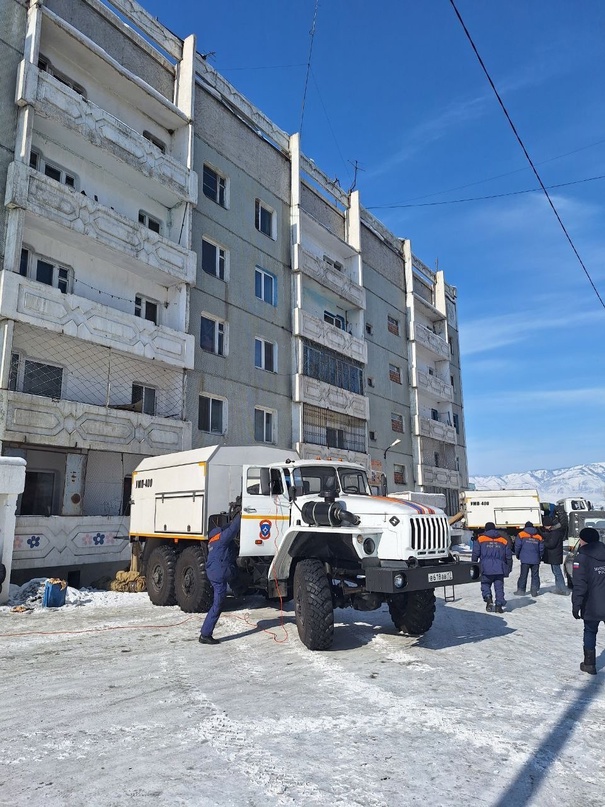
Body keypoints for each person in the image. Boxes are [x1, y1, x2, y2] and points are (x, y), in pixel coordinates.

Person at [199, 513, 241, 645]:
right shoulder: (222, 539)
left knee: (232, 575)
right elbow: (233, 529)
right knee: (218, 604)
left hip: (214, 572)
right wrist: (242, 514)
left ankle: (238, 590)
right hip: (219, 573)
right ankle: (205, 634)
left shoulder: (212, 542)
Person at [572, 526, 605, 675]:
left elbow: (580, 585)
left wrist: (576, 605)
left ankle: (589, 664)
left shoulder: (582, 557)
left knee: (590, 631)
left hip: (592, 605)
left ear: (583, 540)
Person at [472, 521, 512, 613]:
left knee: (485, 584)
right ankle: (499, 606)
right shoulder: (503, 540)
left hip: (485, 568)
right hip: (499, 569)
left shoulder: (481, 539)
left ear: (486, 529)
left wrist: (473, 564)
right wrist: (508, 567)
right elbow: (508, 556)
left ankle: (488, 598)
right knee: (499, 587)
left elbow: (475, 553)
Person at [515, 521, 544, 596]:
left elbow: (517, 546)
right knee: (535, 575)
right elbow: (541, 548)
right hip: (535, 559)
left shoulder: (521, 535)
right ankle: (534, 591)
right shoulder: (538, 536)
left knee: (523, 575)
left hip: (525, 559)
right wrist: (540, 556)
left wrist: (518, 555)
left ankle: (521, 591)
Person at [542, 515, 568, 595]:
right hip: (555, 555)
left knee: (557, 572)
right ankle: (559, 588)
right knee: (556, 572)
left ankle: (562, 589)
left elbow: (551, 544)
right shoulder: (555, 531)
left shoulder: (555, 532)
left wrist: (543, 543)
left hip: (555, 555)